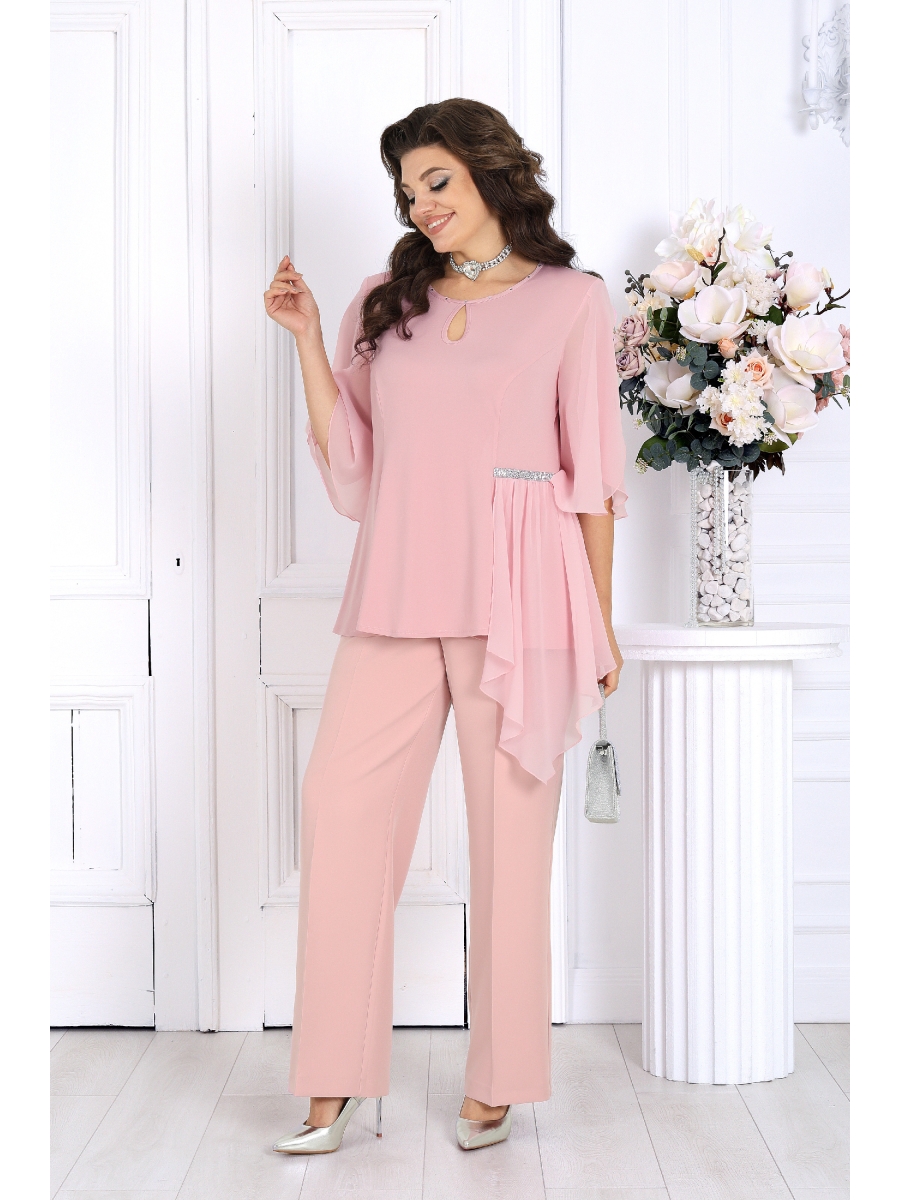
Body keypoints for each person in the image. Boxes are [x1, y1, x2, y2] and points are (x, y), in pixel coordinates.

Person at [263, 97, 626, 1155]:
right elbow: (355, 460)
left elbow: (594, 475)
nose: (420, 203)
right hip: (397, 586)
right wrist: (306, 340)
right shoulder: (387, 300)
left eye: (437, 180)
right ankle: (333, 1074)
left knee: (510, 842)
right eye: (407, 188)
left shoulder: (572, 301)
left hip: (527, 592)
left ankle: (500, 1077)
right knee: (340, 807)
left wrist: (600, 624)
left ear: (488, 173)